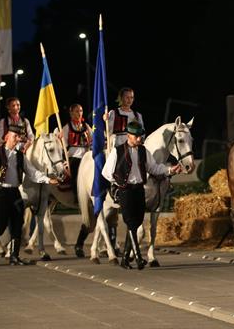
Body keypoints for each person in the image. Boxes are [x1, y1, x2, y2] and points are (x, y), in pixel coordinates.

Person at [102, 121, 180, 270]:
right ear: (128, 136)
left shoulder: (143, 151)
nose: (139, 139)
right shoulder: (117, 151)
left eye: (140, 136)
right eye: (136, 136)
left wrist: (170, 170)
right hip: (126, 190)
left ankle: (125, 259)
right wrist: (120, 182)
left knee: (136, 223)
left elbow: (154, 168)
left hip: (139, 189)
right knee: (131, 222)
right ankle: (138, 258)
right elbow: (106, 172)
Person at [0, 124, 58, 264]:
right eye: (14, 136)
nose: (17, 139)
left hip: (15, 192)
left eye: (19, 137)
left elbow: (32, 172)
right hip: (0, 193)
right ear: (6, 137)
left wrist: (47, 179)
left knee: (18, 224)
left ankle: (14, 256)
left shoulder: (20, 156)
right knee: (0, 225)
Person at [61, 103, 92, 179]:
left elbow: (92, 139)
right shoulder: (67, 127)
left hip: (86, 156)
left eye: (81, 111)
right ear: (71, 113)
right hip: (74, 157)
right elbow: (63, 146)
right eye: (77, 111)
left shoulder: (86, 126)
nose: (79, 113)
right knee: (75, 177)